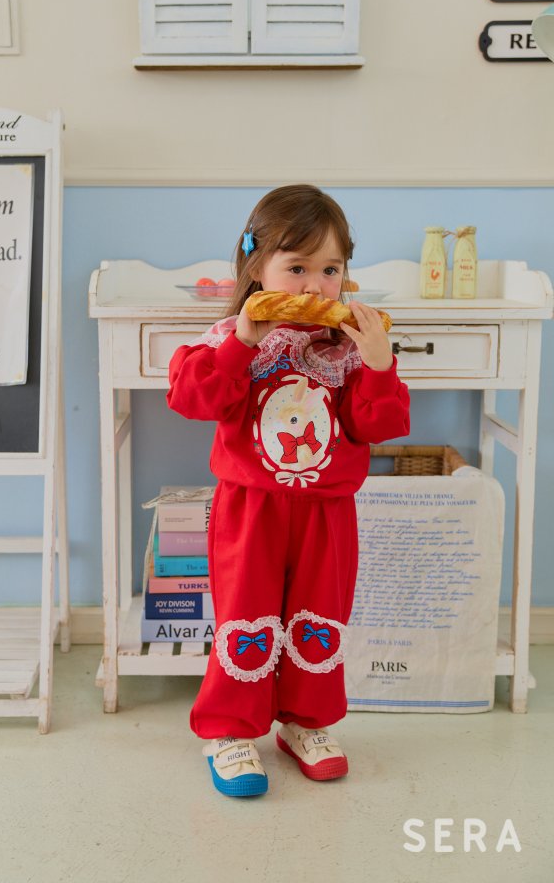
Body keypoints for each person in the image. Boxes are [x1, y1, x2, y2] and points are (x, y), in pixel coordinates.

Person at [167, 184, 410, 798]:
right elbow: (193, 399)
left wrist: (379, 363)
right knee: (245, 615)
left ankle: (306, 722)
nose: (315, 286)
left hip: (328, 511)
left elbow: (376, 425)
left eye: (330, 269)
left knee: (319, 618)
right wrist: (242, 342)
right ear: (258, 268)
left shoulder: (350, 350)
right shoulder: (231, 337)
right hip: (250, 508)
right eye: (297, 268)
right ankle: (228, 730)